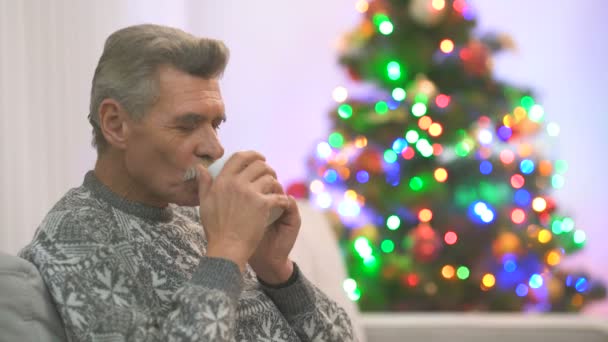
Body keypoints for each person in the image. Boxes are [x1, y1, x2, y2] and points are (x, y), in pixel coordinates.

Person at [19, 24, 356, 341]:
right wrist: (228, 251)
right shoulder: (76, 239)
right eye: (186, 125)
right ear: (115, 124)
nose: (214, 147)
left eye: (215, 124)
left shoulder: (195, 219)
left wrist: (276, 271)